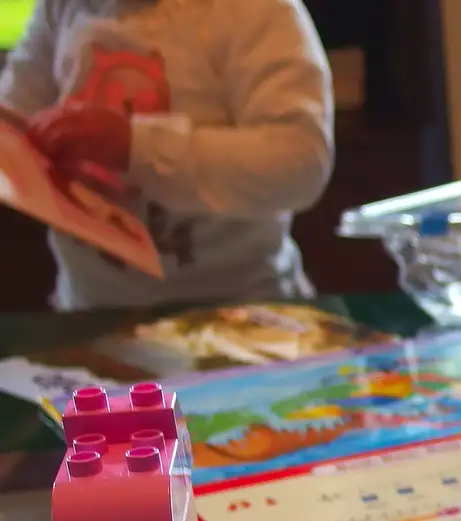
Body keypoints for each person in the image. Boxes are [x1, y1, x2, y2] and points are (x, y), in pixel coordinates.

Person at [0, 0, 333, 311]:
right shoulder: (61, 7)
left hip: (244, 312)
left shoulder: (256, 11)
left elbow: (300, 161)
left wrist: (135, 147)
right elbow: (14, 119)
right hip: (88, 310)